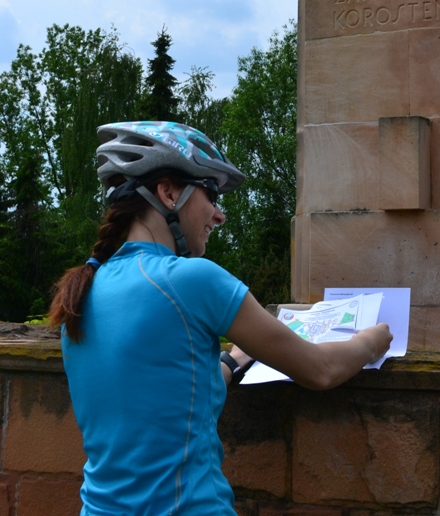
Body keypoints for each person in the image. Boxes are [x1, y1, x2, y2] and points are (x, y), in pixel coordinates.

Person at [49, 120, 392, 516]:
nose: (219, 215)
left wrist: (234, 359)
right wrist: (372, 339)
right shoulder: (191, 280)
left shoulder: (82, 292)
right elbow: (321, 370)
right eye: (210, 194)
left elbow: (168, 392)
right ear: (168, 192)